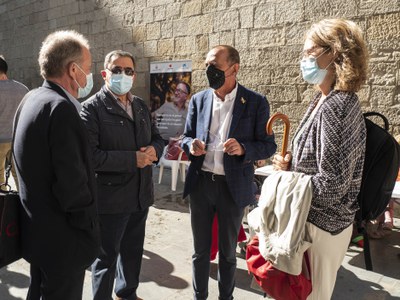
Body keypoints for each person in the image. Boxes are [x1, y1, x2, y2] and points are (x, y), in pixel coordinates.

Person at [272, 19, 368, 299]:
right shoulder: (322, 99)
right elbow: (318, 164)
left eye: (309, 51)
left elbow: (332, 186)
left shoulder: (337, 105)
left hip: (321, 229)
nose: (303, 59)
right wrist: (291, 165)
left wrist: (284, 181)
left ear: (335, 53)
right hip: (313, 223)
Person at [181, 45, 277, 300]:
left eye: (215, 66)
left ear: (235, 68)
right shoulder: (199, 99)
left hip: (232, 188)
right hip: (201, 185)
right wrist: (191, 145)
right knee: (200, 251)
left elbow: (269, 145)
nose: (209, 71)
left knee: (227, 253)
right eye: (206, 66)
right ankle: (199, 296)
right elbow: (185, 136)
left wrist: (244, 148)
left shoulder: (255, 102)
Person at [13, 30, 100, 300]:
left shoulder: (32, 98)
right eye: (87, 69)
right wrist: (90, 228)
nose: (89, 75)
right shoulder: (61, 109)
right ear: (73, 70)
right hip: (64, 243)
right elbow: (72, 186)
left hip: (39, 234)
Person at [80, 50, 164, 300]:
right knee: (105, 258)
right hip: (111, 199)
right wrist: (132, 159)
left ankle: (127, 293)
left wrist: (154, 150)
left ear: (134, 75)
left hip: (140, 195)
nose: (123, 75)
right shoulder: (92, 109)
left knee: (133, 251)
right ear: (104, 74)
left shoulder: (139, 106)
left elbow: (158, 138)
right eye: (117, 70)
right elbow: (91, 157)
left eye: (128, 71)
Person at [0, 55, 28, 190]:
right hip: (18, 139)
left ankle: (3, 206)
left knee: (0, 177)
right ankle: (22, 204)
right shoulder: (22, 88)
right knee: (18, 175)